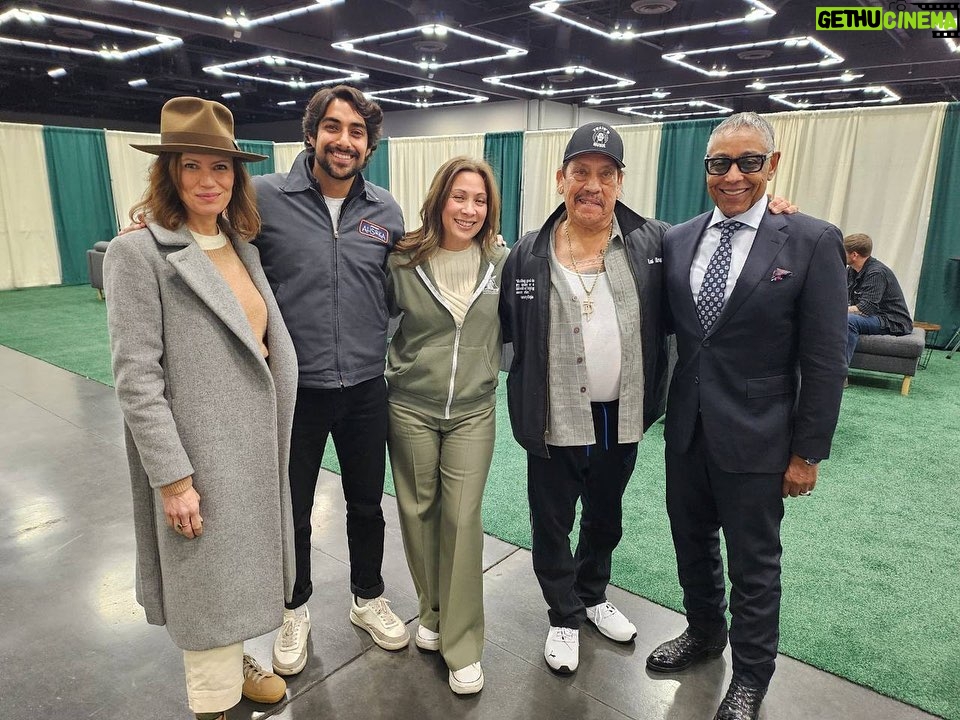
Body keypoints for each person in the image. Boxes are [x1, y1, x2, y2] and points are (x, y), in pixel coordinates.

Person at [646, 113, 847, 720]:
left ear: (773, 165)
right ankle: (704, 633)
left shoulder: (811, 239)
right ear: (705, 169)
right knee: (691, 544)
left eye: (748, 162)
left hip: (761, 437)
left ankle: (752, 674)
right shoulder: (677, 239)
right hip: (687, 429)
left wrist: (807, 452)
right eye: (719, 164)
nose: (732, 175)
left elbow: (824, 357)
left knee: (754, 564)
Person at [103, 96, 298, 720]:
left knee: (237, 574)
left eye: (221, 167)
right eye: (192, 166)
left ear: (237, 175)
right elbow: (136, 377)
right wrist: (173, 478)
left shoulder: (240, 242)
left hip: (252, 448)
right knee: (207, 579)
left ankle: (240, 662)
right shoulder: (139, 253)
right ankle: (212, 702)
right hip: (199, 454)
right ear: (169, 173)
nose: (208, 181)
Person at [499, 123, 672, 675]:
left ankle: (593, 594)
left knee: (605, 515)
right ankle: (563, 615)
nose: (591, 185)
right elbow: (506, 327)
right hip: (553, 415)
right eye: (581, 173)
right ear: (560, 180)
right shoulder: (527, 256)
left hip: (620, 414)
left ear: (620, 182)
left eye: (605, 174)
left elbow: (724, 236)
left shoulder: (654, 244)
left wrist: (777, 206)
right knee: (551, 521)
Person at [251, 85, 410, 675]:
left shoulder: (386, 211)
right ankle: (294, 607)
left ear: (369, 144)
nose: (344, 141)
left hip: (368, 385)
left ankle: (368, 598)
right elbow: (213, 245)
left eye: (357, 132)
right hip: (295, 389)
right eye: (334, 128)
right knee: (290, 507)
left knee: (367, 504)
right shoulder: (262, 197)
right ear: (312, 132)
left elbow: (403, 284)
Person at [385, 156, 507, 695]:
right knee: (418, 512)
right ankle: (431, 612)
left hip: (474, 410)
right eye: (460, 196)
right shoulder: (402, 261)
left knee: (461, 518)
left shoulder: (504, 262)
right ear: (439, 199)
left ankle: (462, 643)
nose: (469, 209)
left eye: (479, 200)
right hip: (410, 405)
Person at [844, 232, 913, 363]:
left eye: (843, 252)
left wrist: (837, 310)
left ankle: (839, 374)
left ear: (854, 255)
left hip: (892, 320)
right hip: (872, 316)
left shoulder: (876, 273)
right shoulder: (851, 271)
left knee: (848, 321)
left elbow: (866, 307)